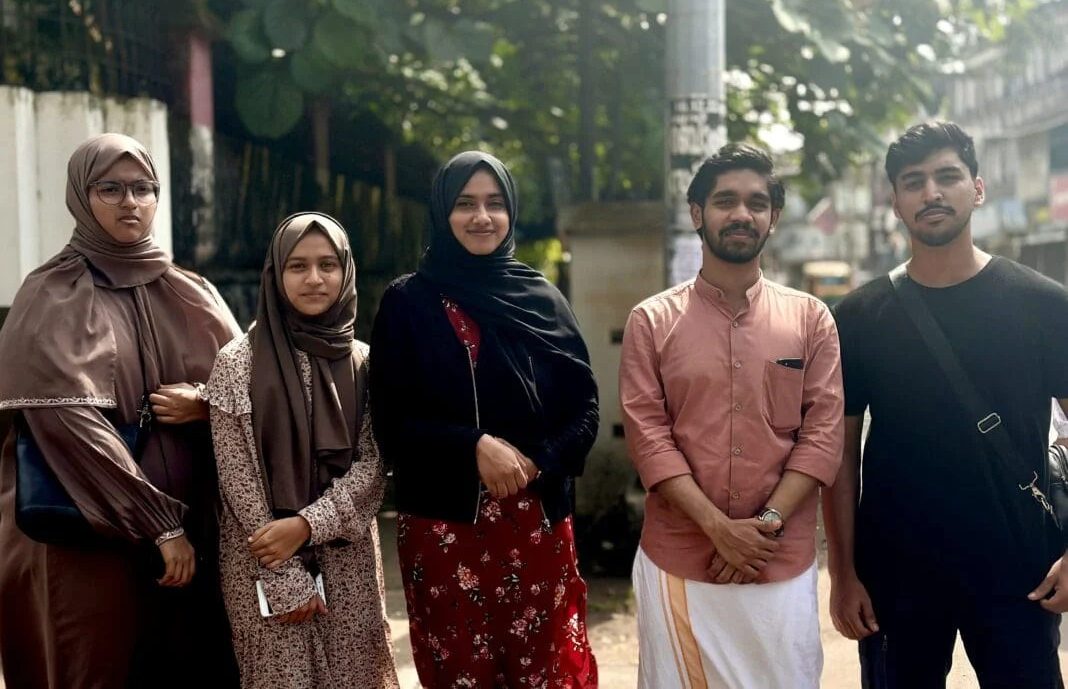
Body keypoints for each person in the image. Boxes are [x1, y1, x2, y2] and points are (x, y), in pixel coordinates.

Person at [825, 120, 1068, 688]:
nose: (931, 192)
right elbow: (838, 455)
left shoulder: (1043, 305)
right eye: (914, 181)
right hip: (896, 575)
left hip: (1018, 569)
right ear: (895, 202)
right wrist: (842, 572)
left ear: (977, 189)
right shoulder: (858, 318)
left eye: (947, 176)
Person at [0, 133, 241, 688]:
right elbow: (69, 427)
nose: (129, 202)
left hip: (195, 535)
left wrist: (207, 405)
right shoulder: (52, 294)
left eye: (142, 188)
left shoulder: (191, 290)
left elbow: (247, 392)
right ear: (81, 198)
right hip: (89, 539)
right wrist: (157, 524)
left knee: (190, 663)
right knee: (101, 663)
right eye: (109, 189)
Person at [370, 150, 599, 688]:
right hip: (446, 530)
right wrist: (473, 446)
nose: (482, 217)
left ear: (512, 212)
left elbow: (585, 409)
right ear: (441, 212)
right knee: (460, 676)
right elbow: (391, 421)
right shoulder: (410, 302)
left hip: (538, 525)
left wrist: (537, 462)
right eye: (465, 203)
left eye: (495, 203)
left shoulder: (542, 299)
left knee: (544, 674)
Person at [620, 142, 844, 688]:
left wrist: (761, 528)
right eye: (725, 201)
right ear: (697, 214)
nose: (741, 214)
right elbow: (649, 440)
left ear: (773, 217)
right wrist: (719, 529)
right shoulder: (651, 321)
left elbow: (822, 437)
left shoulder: (811, 319)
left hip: (780, 563)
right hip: (681, 562)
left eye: (756, 202)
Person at [206, 212, 398, 688]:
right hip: (262, 561)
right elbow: (238, 478)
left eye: (327, 265)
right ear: (276, 273)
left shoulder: (366, 362)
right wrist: (285, 570)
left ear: (346, 271)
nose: (314, 279)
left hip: (348, 560)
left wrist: (310, 525)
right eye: (297, 266)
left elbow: (374, 465)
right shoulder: (237, 363)